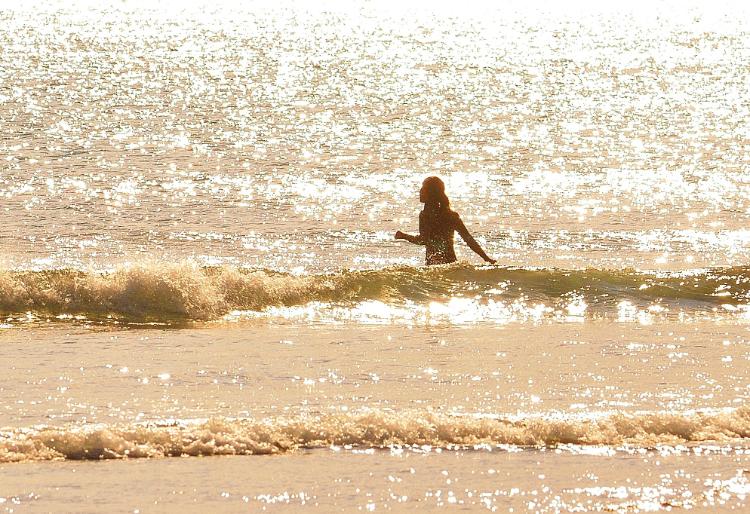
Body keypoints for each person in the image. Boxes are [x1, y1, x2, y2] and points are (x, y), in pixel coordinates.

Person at [395, 176, 496, 266]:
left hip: (433, 267)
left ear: (431, 193)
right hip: (451, 265)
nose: (420, 191)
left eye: (423, 188)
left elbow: (423, 240)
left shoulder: (425, 216)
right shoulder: (451, 215)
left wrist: (404, 236)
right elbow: (468, 239)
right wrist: (486, 258)